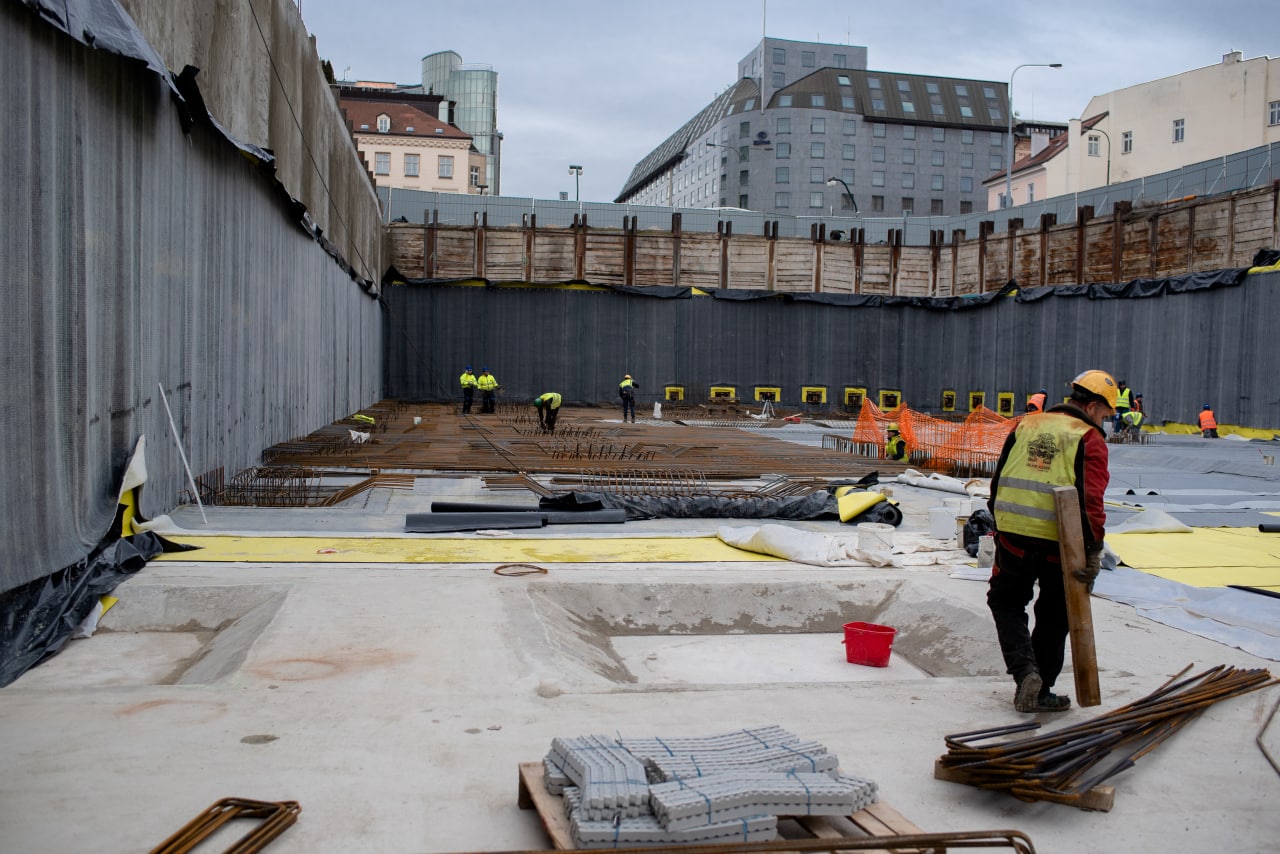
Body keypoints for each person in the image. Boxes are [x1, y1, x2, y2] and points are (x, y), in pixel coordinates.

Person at [987, 369, 1115, 714]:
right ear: (1091, 406)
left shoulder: (1026, 424)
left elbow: (998, 479)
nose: (1106, 422)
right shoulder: (1088, 437)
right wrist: (1092, 552)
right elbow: (1092, 502)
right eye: (1105, 414)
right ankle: (1041, 689)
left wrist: (999, 525)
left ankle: (1025, 673)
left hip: (1013, 536)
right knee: (1055, 614)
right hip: (1060, 544)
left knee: (1006, 602)